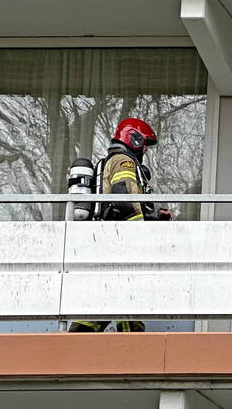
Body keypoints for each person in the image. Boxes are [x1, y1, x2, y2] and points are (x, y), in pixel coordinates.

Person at [69, 118, 163, 334]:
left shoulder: (111, 161)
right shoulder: (124, 161)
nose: (146, 150)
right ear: (134, 139)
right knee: (125, 297)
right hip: (121, 243)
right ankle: (133, 342)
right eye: (145, 144)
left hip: (107, 241)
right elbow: (125, 199)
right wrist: (140, 238)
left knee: (101, 301)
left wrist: (156, 219)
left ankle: (77, 341)